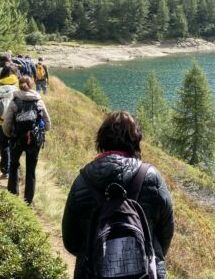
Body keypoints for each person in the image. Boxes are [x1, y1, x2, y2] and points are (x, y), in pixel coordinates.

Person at [61, 111, 174, 279]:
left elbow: (70, 240)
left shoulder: (83, 180)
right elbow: (166, 231)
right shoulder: (151, 176)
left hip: (92, 272)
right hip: (146, 272)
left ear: (101, 140)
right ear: (136, 141)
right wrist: (151, 252)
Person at [2, 75, 51, 205]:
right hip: (34, 141)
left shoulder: (14, 101)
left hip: (16, 139)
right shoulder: (38, 101)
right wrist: (39, 132)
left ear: (19, 85)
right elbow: (48, 124)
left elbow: (6, 124)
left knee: (13, 165)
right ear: (31, 85)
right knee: (31, 171)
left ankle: (13, 196)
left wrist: (9, 135)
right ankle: (28, 201)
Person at [0, 64, 20, 179]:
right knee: (14, 145)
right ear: (15, 73)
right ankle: (15, 169)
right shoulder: (18, 84)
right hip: (14, 122)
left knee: (3, 145)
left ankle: (5, 170)